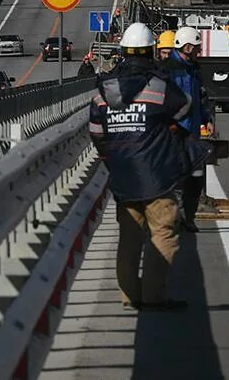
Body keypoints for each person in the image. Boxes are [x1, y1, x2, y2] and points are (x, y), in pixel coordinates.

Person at [89, 23, 208, 311]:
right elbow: (185, 109)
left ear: (122, 53)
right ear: (150, 51)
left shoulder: (103, 92)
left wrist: (112, 158)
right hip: (157, 175)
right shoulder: (158, 86)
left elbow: (96, 133)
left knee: (129, 238)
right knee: (163, 233)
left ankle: (130, 296)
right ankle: (154, 296)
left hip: (123, 175)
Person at [167, 27, 215, 231]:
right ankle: (176, 217)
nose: (198, 51)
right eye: (196, 48)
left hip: (193, 132)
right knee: (177, 177)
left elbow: (199, 99)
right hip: (174, 131)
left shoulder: (193, 70)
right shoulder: (168, 70)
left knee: (196, 177)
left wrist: (207, 118)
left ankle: (189, 217)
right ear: (187, 46)